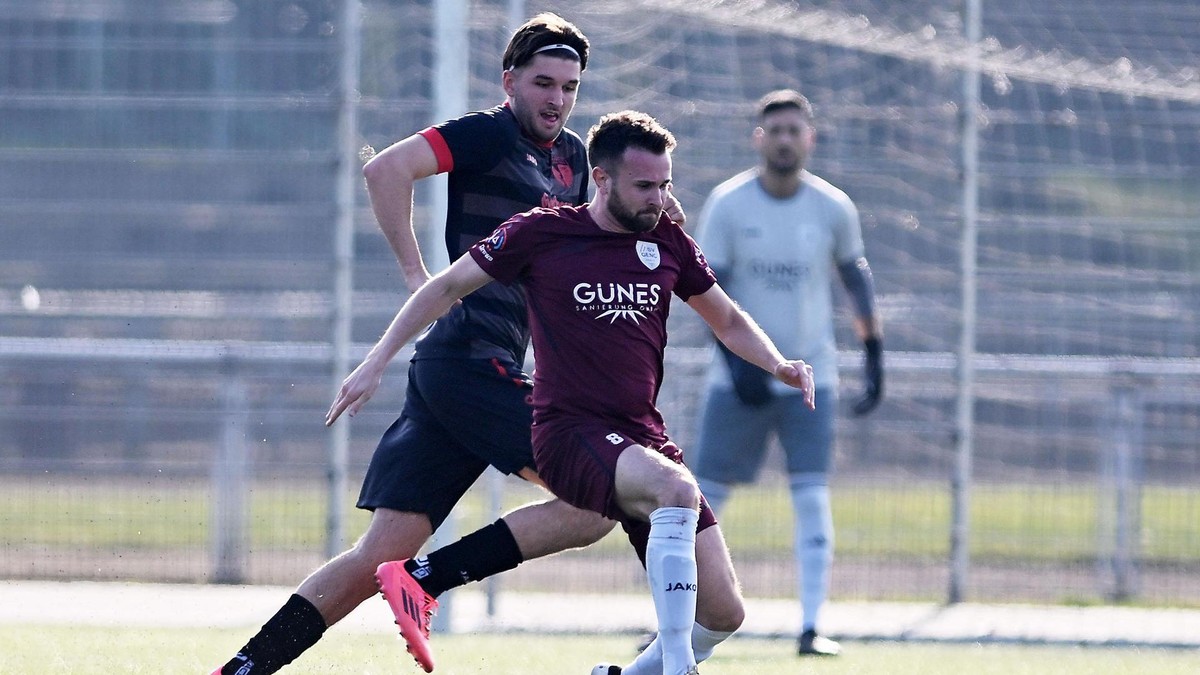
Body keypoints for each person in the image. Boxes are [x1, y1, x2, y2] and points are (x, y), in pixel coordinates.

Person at [213, 14, 674, 675]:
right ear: (509, 80)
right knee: (601, 495)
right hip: (467, 360)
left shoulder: (574, 157)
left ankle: (245, 667)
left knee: (378, 552)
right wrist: (415, 274)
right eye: (543, 83)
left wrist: (652, 217)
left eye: (570, 87)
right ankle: (428, 579)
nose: (556, 99)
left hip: (462, 372)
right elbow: (386, 171)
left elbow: (590, 235)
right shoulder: (488, 134)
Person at [327, 110, 816, 675]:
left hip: (640, 436)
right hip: (569, 429)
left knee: (724, 613)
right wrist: (376, 360)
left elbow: (726, 319)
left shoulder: (668, 242)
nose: (658, 199)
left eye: (665, 186)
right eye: (644, 187)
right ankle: (680, 669)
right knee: (676, 491)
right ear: (601, 180)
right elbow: (447, 287)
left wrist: (779, 364)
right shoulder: (543, 231)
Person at [688, 89, 884, 658]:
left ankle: (811, 626)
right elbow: (706, 292)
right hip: (736, 383)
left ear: (809, 138)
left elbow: (856, 278)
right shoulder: (728, 204)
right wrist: (738, 365)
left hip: (810, 382)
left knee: (811, 497)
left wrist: (874, 357)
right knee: (699, 502)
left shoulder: (832, 207)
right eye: (774, 130)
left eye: (794, 130)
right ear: (758, 138)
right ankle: (674, 619)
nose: (784, 139)